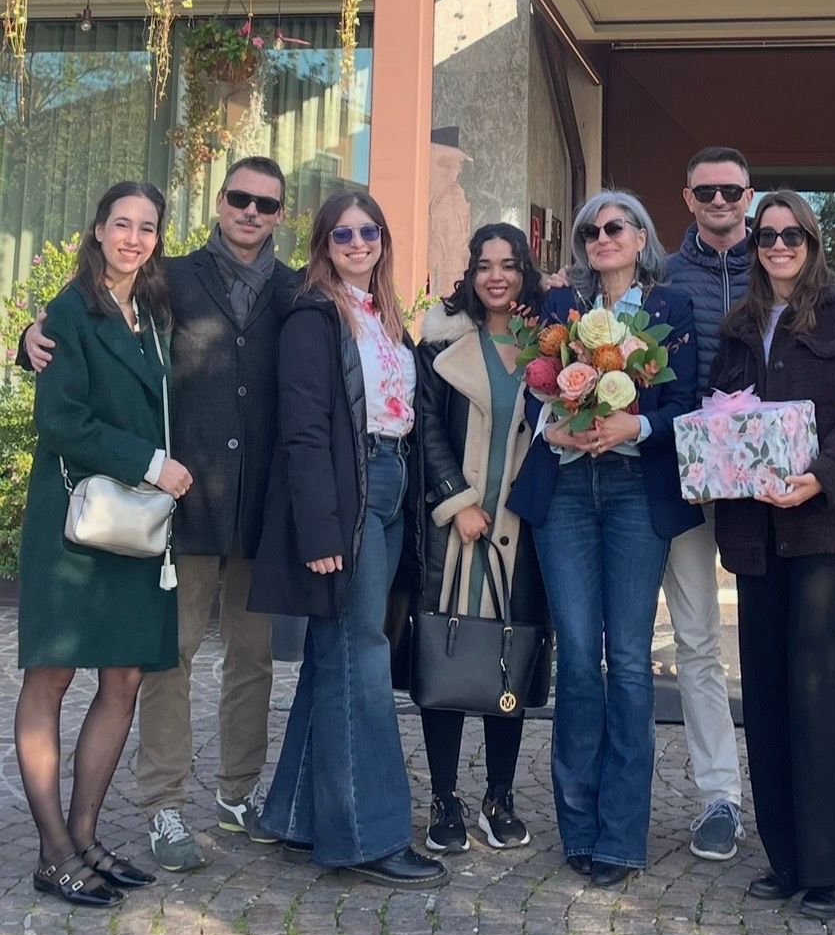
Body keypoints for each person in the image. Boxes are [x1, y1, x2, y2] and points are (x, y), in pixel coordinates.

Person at [21, 154, 303, 873]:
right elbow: (86, 321)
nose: (251, 212)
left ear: (281, 214)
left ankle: (239, 793)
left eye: (266, 204)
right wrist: (31, 340)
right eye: (239, 198)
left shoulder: (296, 289)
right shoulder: (168, 278)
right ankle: (163, 803)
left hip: (258, 507)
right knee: (165, 658)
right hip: (178, 504)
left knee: (253, 659)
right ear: (219, 202)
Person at [711, 190, 835, 921]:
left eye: (792, 235)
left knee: (823, 698)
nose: (779, 246)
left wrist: (822, 474)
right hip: (756, 535)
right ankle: (785, 856)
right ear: (753, 244)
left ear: (812, 242)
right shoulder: (739, 324)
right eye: (767, 235)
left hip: (826, 528)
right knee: (764, 697)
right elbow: (719, 415)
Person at [249, 190, 445, 888]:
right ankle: (370, 835)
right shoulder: (313, 317)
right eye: (343, 234)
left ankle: (300, 817)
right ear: (324, 245)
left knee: (336, 651)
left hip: (389, 483)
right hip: (346, 491)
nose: (358, 243)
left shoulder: (386, 317)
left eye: (369, 232)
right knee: (362, 655)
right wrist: (321, 527)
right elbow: (302, 430)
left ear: (384, 241)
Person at [511, 191, 699, 886]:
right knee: (578, 660)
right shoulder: (561, 306)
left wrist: (636, 425)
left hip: (632, 491)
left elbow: (685, 402)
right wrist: (553, 427)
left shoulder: (672, 308)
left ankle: (621, 835)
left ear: (641, 236)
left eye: (615, 226)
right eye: (591, 229)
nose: (601, 237)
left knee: (627, 658)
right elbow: (533, 388)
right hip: (564, 491)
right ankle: (579, 828)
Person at [15, 181, 192, 907]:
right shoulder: (68, 310)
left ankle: (86, 837)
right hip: (74, 521)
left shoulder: (156, 311)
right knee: (51, 678)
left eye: (147, 227)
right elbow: (60, 422)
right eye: (121, 223)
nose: (132, 238)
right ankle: (53, 851)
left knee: (123, 679)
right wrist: (150, 463)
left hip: (137, 524)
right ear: (97, 230)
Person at [416, 223, 552, 853]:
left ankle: (499, 796)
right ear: (470, 273)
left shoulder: (549, 347)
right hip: (459, 529)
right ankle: (444, 798)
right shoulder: (441, 342)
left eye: (509, 264)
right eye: (484, 265)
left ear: (526, 271)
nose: (497, 277)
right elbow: (424, 426)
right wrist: (458, 500)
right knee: (446, 655)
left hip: (521, 528)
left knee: (508, 657)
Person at [661, 146, 751, 862]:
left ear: (748, 196)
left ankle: (804, 789)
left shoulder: (780, 263)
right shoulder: (663, 274)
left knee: (778, 641)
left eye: (731, 190)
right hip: (682, 476)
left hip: (764, 481)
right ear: (687, 199)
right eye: (706, 191)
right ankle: (719, 795)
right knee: (696, 641)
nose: (719, 201)